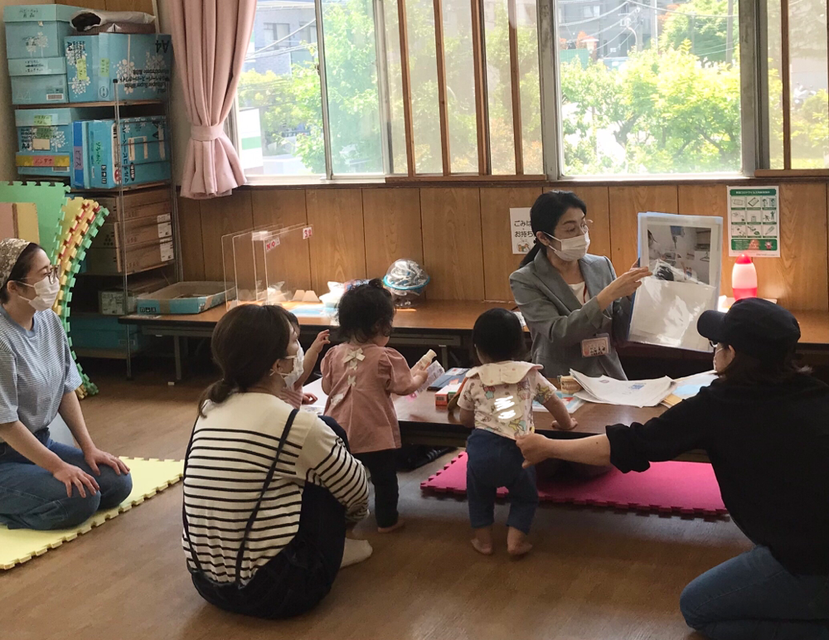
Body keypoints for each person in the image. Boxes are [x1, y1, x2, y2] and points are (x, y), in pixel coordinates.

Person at [516, 298, 829, 640]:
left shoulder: (718, 406)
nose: (714, 350)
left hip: (806, 562)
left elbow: (628, 445)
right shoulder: (815, 392)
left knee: (697, 609)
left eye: (718, 344)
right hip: (806, 548)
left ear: (734, 355)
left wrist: (549, 447)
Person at [183, 304, 370, 619]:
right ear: (276, 365)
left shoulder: (208, 411)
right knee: (325, 446)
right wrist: (346, 524)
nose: (299, 349)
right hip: (279, 590)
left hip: (207, 584)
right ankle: (341, 547)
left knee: (300, 459)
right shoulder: (294, 424)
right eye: (294, 342)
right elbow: (356, 491)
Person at [0, 239, 132, 530]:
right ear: (15, 288)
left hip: (39, 442)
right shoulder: (2, 340)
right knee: (80, 500)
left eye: (53, 270)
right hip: (4, 456)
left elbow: (65, 388)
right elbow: (6, 424)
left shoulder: (48, 320)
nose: (53, 280)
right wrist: (58, 467)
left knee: (116, 482)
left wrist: (88, 448)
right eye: (44, 274)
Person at [457, 309, 576, 557]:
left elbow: (465, 419)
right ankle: (515, 542)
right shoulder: (529, 374)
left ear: (477, 348)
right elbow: (554, 402)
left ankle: (484, 542)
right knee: (525, 497)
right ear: (520, 345)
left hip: (482, 450)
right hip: (520, 450)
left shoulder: (474, 379)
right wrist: (566, 424)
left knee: (479, 497)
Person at [321, 279, 429, 533]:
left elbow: (327, 388)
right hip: (374, 431)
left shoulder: (334, 354)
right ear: (380, 325)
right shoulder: (385, 357)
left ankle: (342, 520)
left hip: (338, 431)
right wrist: (420, 377)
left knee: (342, 478)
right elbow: (404, 386)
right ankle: (387, 521)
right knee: (384, 480)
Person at [510, 191, 651, 380]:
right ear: (544, 238)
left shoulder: (601, 265)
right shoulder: (525, 279)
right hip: (561, 380)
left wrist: (629, 295)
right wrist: (607, 296)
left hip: (609, 377)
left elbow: (619, 335)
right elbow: (560, 333)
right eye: (570, 229)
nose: (581, 234)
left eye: (583, 225)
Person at [277, 312, 330, 409]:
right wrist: (314, 351)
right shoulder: (284, 375)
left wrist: (296, 396)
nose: (298, 346)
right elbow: (300, 377)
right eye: (294, 340)